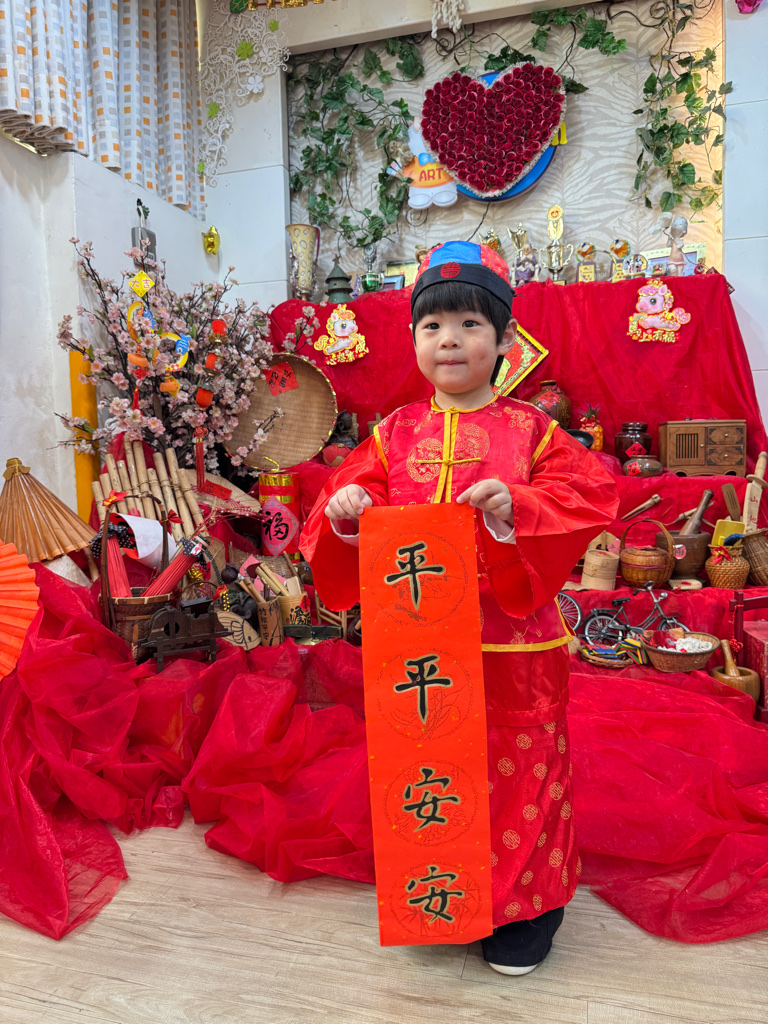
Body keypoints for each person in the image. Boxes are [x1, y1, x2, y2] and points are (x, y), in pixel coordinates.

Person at [300, 240, 619, 975]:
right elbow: (343, 507)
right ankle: (445, 896)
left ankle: (526, 911)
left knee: (521, 770)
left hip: (513, 644)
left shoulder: (533, 430)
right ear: (414, 340)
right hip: (419, 650)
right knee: (433, 770)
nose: (450, 340)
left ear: (505, 341)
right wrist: (349, 513)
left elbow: (590, 495)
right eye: (433, 326)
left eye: (470, 324)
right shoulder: (392, 434)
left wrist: (518, 507)